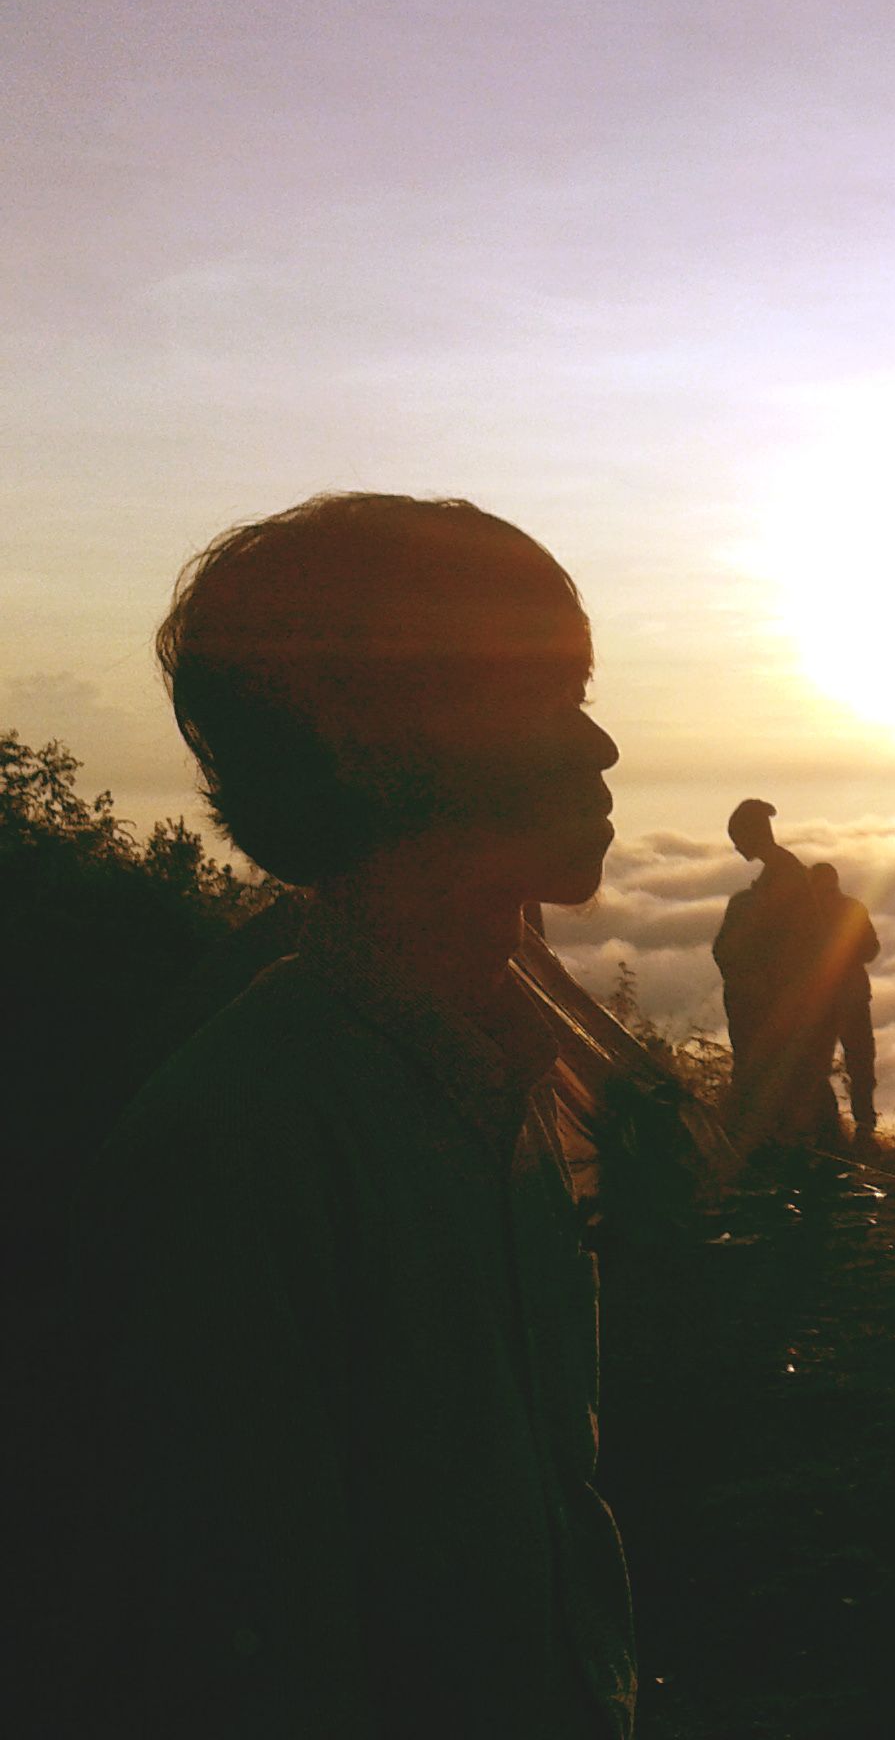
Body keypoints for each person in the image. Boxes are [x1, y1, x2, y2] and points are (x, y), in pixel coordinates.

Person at [86, 493, 635, 1737]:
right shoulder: (240, 1145)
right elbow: (243, 1642)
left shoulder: (501, 1069)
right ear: (375, 742)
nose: (599, 749)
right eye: (540, 698)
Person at [713, 797, 821, 1153]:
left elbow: (788, 938)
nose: (734, 845)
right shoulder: (780, 873)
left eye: (737, 836)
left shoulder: (784, 876)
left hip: (774, 993)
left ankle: (789, 1142)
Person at [807, 861, 883, 1154]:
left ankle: (829, 1131)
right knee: (861, 1063)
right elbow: (871, 949)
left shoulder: (808, 914)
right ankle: (863, 1130)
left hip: (824, 999)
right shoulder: (852, 908)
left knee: (819, 1065)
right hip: (851, 996)